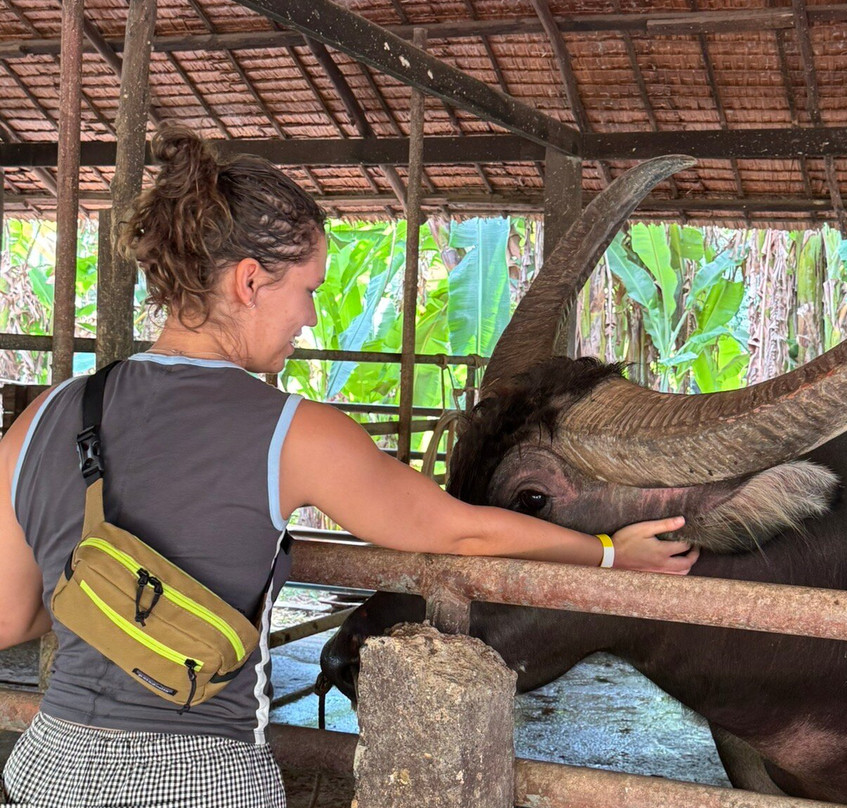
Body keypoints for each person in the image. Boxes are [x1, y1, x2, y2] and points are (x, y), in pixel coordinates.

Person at [0, 128, 697, 808]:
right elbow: (457, 533)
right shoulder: (293, 433)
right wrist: (606, 553)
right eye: (306, 290)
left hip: (47, 767)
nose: (306, 318)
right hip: (200, 777)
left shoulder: (43, 417)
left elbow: (10, 618)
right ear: (249, 282)